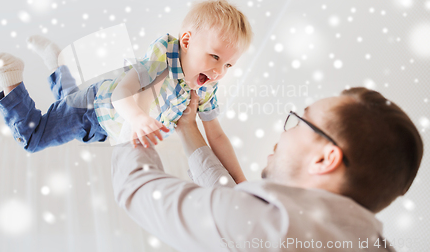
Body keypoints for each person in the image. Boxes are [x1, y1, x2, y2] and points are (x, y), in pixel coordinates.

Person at [0, 0, 253, 184]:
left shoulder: (204, 90)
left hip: (105, 128)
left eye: (229, 64)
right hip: (96, 108)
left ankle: (56, 64)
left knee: (66, 104)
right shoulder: (165, 57)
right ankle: (9, 74)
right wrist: (138, 118)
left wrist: (240, 181)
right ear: (187, 41)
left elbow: (216, 135)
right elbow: (121, 92)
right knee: (32, 138)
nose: (219, 71)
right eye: (215, 57)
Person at [111, 87, 423, 252]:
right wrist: (189, 127)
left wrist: (131, 116)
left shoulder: (264, 230)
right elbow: (232, 202)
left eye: (300, 121)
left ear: (325, 159)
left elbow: (136, 188)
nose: (284, 132)